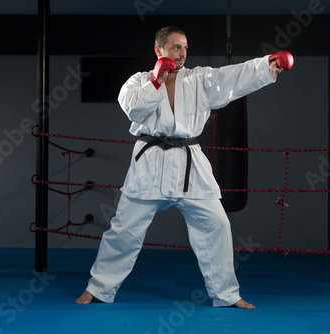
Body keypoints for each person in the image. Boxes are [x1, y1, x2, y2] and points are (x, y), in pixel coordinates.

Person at [76, 26, 291, 309]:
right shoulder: (138, 81)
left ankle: (226, 294)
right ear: (159, 51)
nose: (182, 53)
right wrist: (156, 81)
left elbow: (231, 77)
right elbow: (133, 109)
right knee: (123, 231)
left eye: (185, 48)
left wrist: (267, 64)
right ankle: (98, 288)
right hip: (150, 165)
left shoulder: (198, 79)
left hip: (189, 163)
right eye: (176, 47)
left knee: (217, 225)